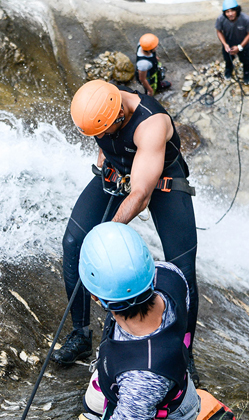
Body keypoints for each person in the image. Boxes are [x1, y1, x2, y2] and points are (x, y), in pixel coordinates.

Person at [51, 79, 200, 386]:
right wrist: (105, 165)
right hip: (118, 170)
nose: (97, 136)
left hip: (161, 183)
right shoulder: (97, 102)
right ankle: (80, 334)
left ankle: (184, 354)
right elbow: (104, 143)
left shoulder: (151, 123)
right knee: (73, 243)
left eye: (101, 131)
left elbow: (141, 195)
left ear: (118, 117)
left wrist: (107, 232)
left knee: (182, 267)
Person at [78, 222, 201, 420]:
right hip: (157, 381)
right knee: (91, 403)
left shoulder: (141, 380)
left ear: (94, 297)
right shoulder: (170, 274)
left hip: (159, 408)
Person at [215, 0, 249, 84]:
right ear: (224, 12)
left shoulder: (245, 19)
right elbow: (219, 31)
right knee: (228, 59)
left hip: (243, 45)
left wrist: (240, 47)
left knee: (246, 60)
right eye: (227, 11)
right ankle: (229, 69)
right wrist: (225, 44)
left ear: (237, 10)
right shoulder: (221, 19)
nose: (230, 14)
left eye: (232, 10)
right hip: (228, 44)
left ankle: (246, 72)